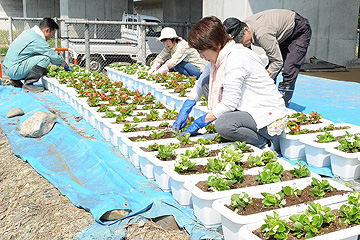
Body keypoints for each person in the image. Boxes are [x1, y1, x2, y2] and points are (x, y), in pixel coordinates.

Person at [172, 16, 288, 149]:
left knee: (223, 125)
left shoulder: (235, 58)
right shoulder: (220, 56)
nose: (201, 56)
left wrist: (200, 122)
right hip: (249, 109)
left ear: (215, 45)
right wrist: (187, 106)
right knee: (206, 82)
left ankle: (263, 143)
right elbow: (201, 82)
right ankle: (238, 125)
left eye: (201, 51)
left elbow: (229, 102)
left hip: (268, 119)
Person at [223, 9, 312, 107]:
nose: (242, 44)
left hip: (299, 30)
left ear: (246, 30)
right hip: (281, 33)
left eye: (241, 41)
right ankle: (267, 101)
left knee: (289, 68)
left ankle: (282, 107)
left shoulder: (262, 34)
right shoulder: (243, 27)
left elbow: (277, 62)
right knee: (269, 68)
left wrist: (260, 83)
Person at [3, 18, 72, 93]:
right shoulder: (37, 39)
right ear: (47, 30)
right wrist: (65, 65)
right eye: (52, 34)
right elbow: (53, 56)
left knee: (40, 64)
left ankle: (16, 80)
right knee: (45, 59)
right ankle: (28, 84)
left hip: (8, 68)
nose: (51, 37)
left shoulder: (29, 33)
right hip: (14, 70)